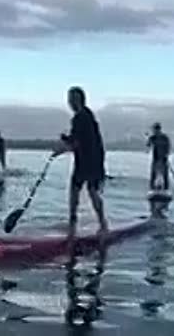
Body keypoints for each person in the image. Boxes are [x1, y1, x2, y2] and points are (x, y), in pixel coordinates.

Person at [53, 87, 109, 239]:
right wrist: (67, 140)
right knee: (78, 189)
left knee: (88, 191)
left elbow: (78, 142)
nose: (70, 102)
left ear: (79, 100)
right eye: (69, 99)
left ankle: (101, 225)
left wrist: (61, 150)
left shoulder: (80, 117)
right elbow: (77, 139)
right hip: (88, 159)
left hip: (90, 160)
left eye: (72, 99)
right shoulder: (86, 115)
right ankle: (76, 223)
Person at [146, 123, 171, 191]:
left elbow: (168, 147)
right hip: (155, 159)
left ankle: (166, 189)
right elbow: (148, 145)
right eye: (154, 130)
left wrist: (166, 155)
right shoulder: (152, 138)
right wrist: (148, 139)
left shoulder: (165, 138)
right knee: (153, 175)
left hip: (164, 159)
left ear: (159, 129)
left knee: (165, 176)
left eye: (155, 130)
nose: (154, 131)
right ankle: (152, 189)